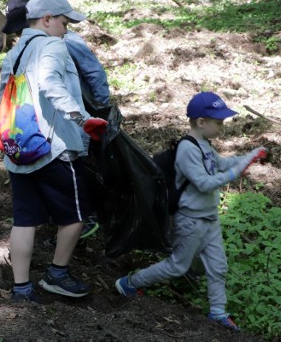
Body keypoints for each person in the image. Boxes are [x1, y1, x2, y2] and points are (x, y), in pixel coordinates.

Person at [114, 91, 266, 331]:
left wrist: (247, 157)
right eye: (218, 123)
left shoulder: (205, 144)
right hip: (189, 220)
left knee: (218, 267)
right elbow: (204, 182)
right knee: (177, 265)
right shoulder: (187, 149)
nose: (222, 127)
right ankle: (130, 282)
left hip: (209, 219)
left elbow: (222, 163)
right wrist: (235, 173)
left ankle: (218, 312)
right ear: (201, 122)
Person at [0, 0, 107, 302]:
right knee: (77, 214)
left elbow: (3, 97)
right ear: (46, 20)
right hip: (53, 148)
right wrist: (84, 118)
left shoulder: (16, 52)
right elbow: (50, 83)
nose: (67, 28)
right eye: (65, 22)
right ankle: (57, 274)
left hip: (19, 149)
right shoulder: (53, 45)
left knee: (24, 220)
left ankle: (21, 289)